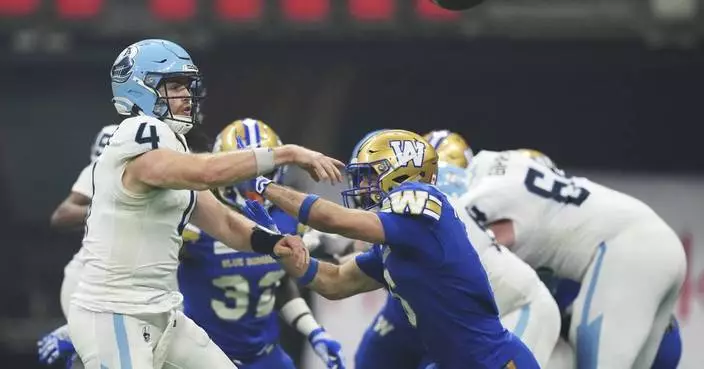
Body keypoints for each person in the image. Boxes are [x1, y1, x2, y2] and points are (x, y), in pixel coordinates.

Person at [67, 38, 340, 369]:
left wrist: (273, 242)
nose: (185, 94)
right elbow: (206, 172)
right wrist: (288, 153)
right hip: (116, 312)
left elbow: (224, 223)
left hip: (162, 311)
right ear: (140, 88)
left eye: (186, 84)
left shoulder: (174, 145)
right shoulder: (138, 133)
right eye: (173, 85)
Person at [249, 129, 540, 368]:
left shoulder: (423, 202)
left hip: (494, 363)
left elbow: (332, 219)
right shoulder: (398, 243)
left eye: (368, 175)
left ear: (399, 173)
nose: (361, 185)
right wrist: (278, 246)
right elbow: (334, 281)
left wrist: (261, 184)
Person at [457, 148, 686, 369]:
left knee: (589, 352)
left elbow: (470, 249)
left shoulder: (480, 196)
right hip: (658, 240)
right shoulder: (510, 168)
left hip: (626, 251)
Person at [177, 119, 345, 369]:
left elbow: (276, 284)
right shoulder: (198, 217)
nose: (251, 185)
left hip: (265, 357)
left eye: (261, 175)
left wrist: (314, 331)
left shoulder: (286, 217)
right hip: (203, 359)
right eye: (243, 174)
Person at [37, 125, 118, 368]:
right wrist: (114, 210)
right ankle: (76, 337)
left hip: (132, 281)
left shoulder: (162, 167)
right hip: (93, 281)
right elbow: (61, 215)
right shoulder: (102, 170)